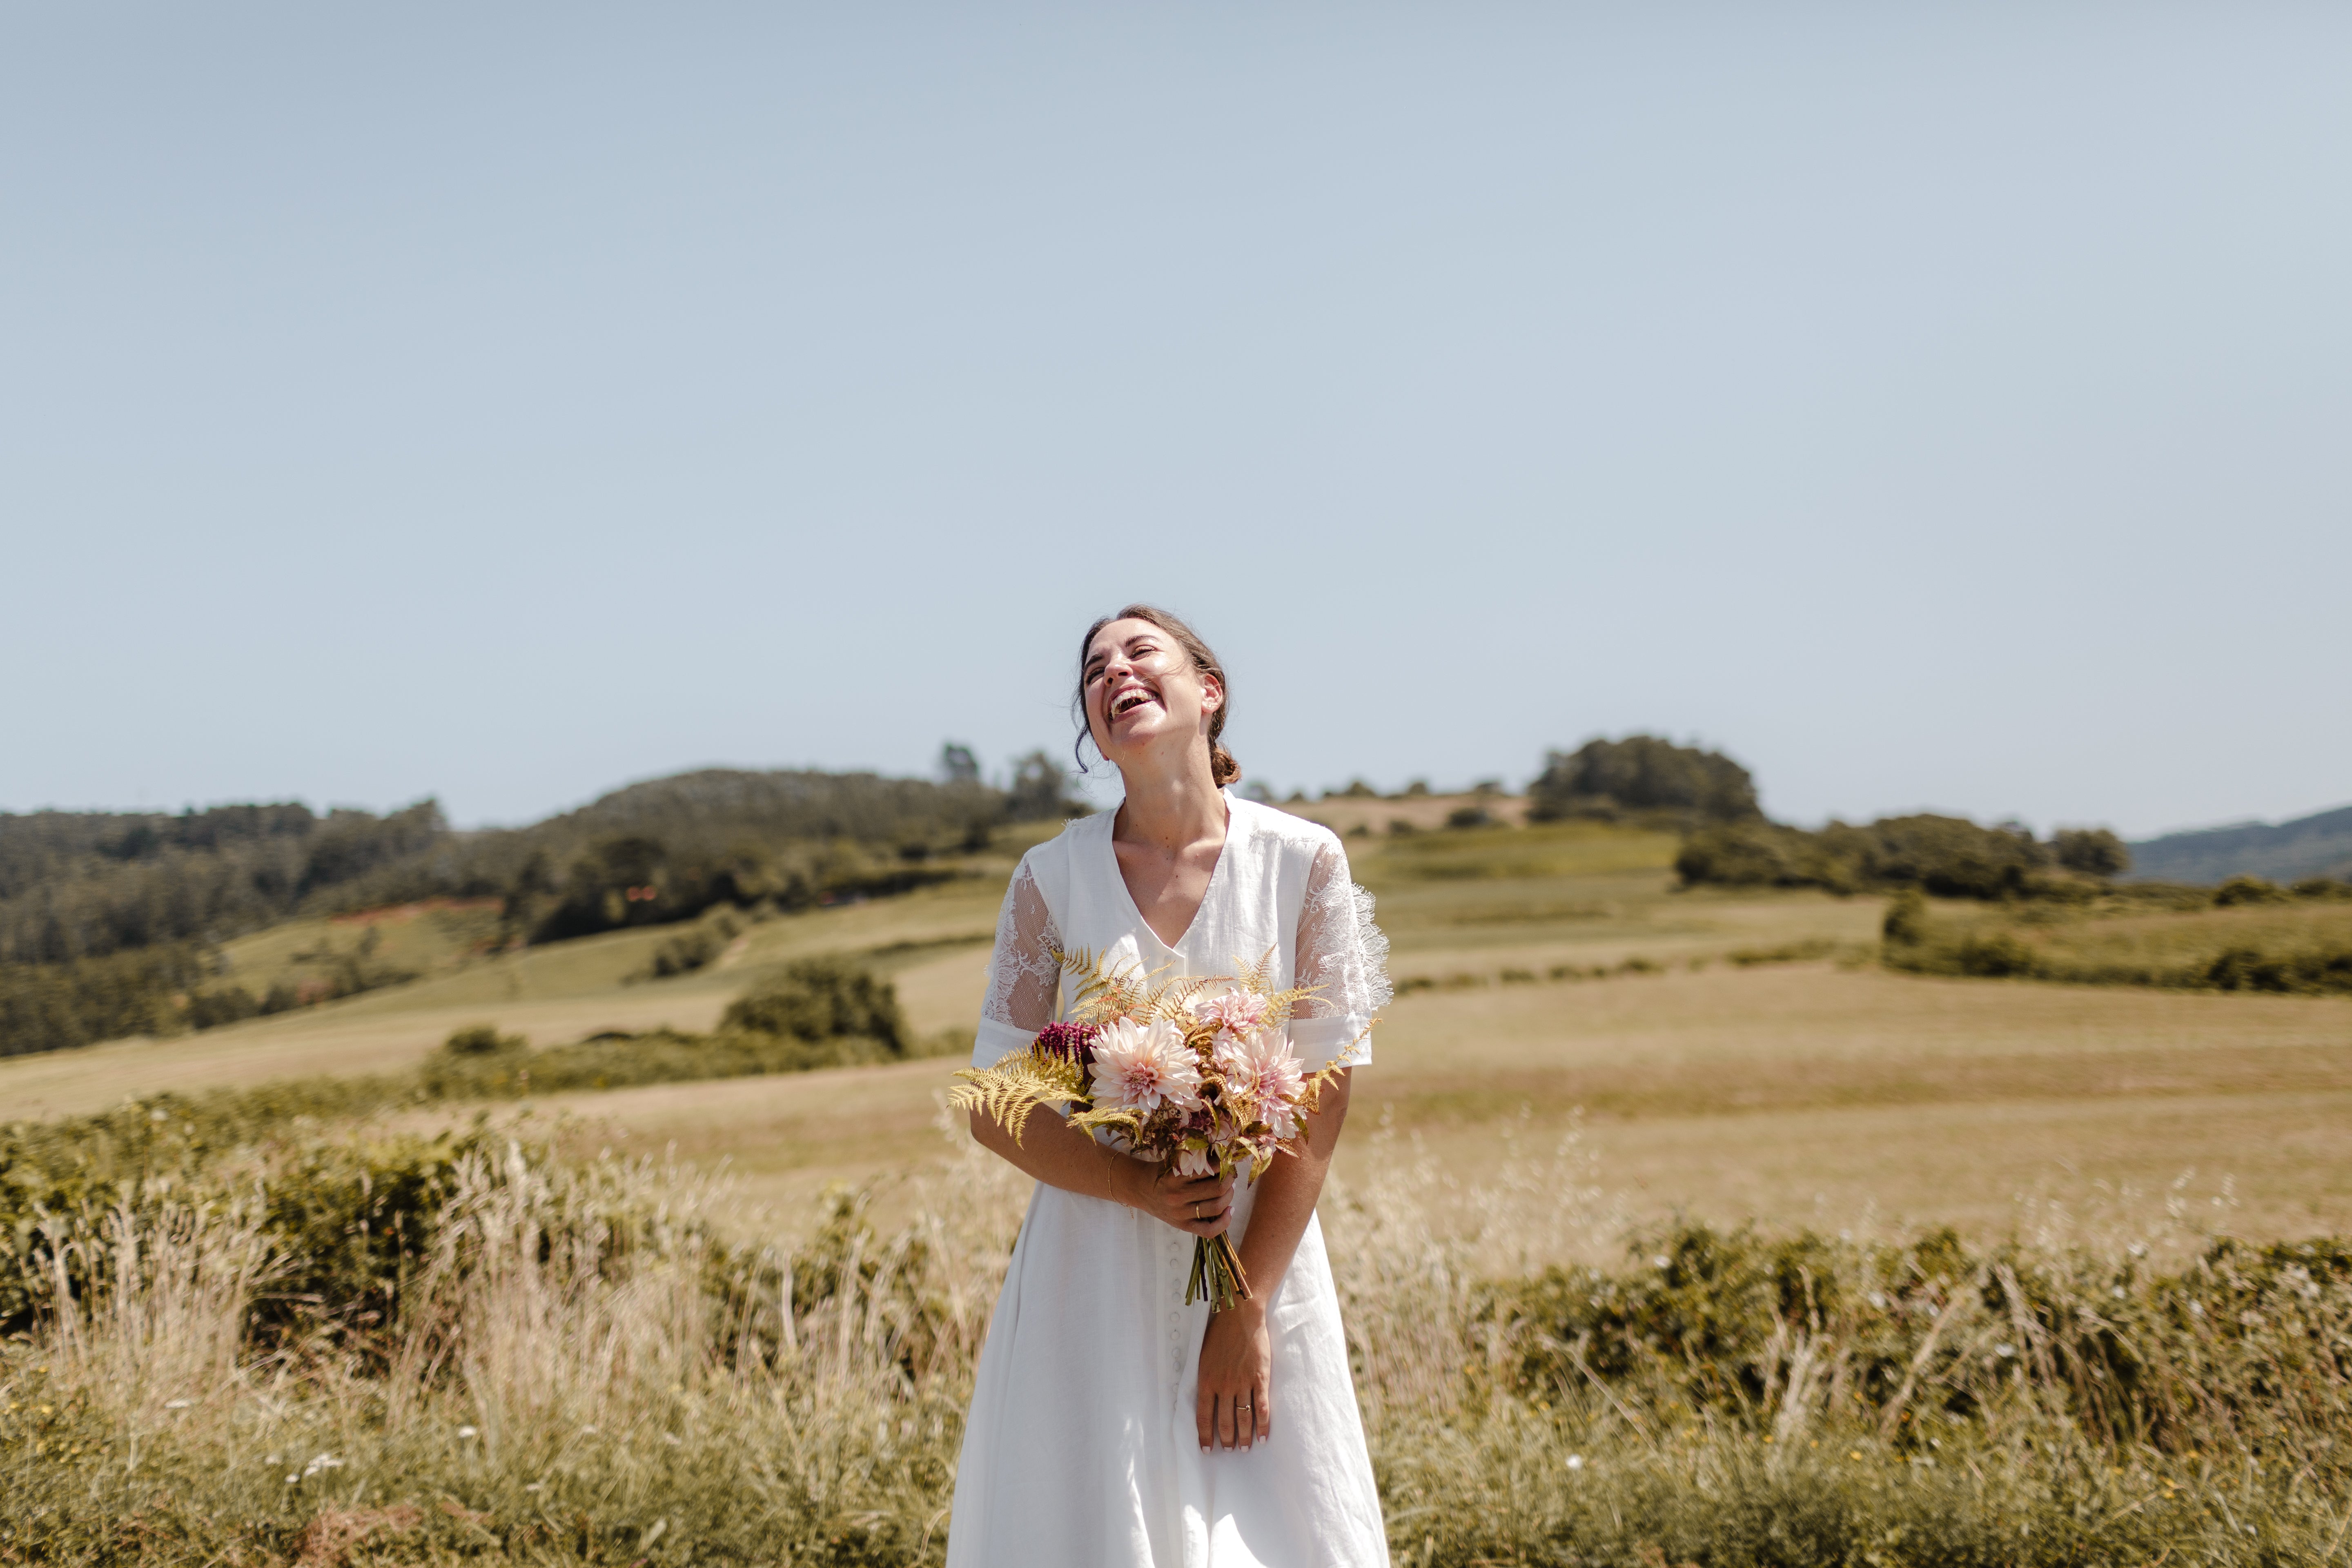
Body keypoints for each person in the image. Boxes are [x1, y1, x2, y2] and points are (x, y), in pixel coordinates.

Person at [945, 605, 1392, 1568]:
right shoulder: (1050, 879)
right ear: (1094, 729)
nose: (1114, 672)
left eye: (1139, 653)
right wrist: (1136, 1187)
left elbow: (1324, 1097)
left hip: (1255, 1257)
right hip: (1090, 1271)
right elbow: (993, 1098)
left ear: (1209, 690)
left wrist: (1247, 1308)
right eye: (1094, 670)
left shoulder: (1303, 860)